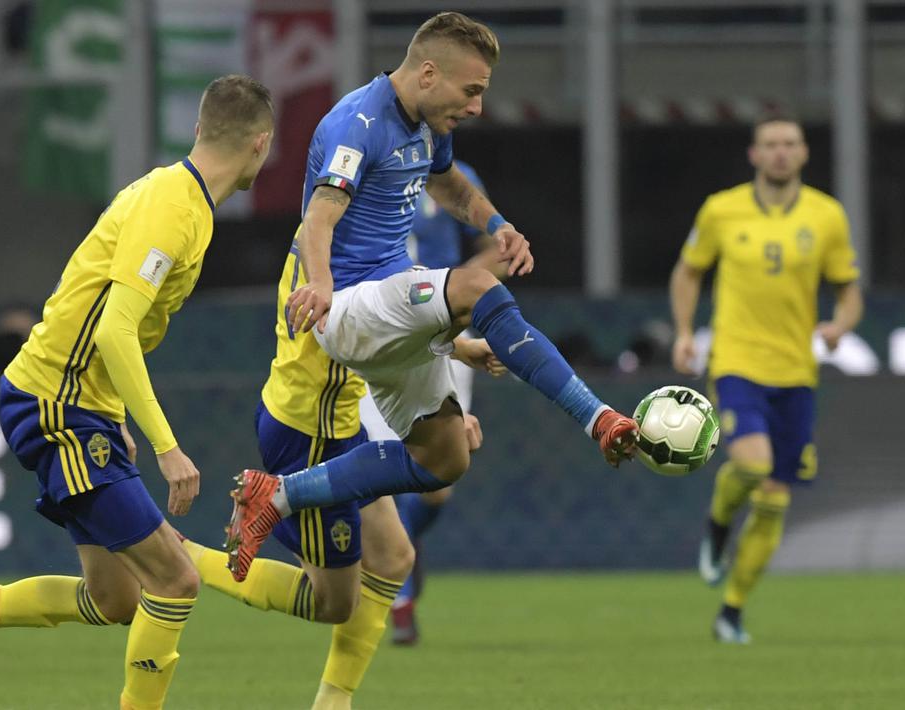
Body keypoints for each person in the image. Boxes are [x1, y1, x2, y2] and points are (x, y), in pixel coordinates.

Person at [0, 75, 275, 707]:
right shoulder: (173, 207)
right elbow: (115, 329)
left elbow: (106, 321)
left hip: (74, 403)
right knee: (175, 580)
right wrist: (166, 446)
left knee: (115, 599)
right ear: (262, 144)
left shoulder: (182, 202)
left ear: (200, 129)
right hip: (56, 405)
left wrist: (111, 412)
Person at [223, 11, 640, 585]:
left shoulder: (428, 126)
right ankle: (598, 418)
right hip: (346, 306)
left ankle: (279, 496)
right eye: (471, 91)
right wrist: (319, 282)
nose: (475, 106)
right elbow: (318, 219)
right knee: (474, 283)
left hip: (389, 310)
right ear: (426, 74)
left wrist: (496, 225)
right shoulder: (359, 121)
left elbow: (448, 185)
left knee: (445, 459)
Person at [178, 228, 501, 707]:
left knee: (394, 557)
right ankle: (181, 555)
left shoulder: (331, 227)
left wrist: (456, 352)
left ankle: (334, 701)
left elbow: (383, 318)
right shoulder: (348, 234)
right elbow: (383, 320)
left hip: (337, 422)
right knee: (332, 602)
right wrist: (445, 411)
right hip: (311, 433)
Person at [668, 115, 864, 644]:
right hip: (737, 361)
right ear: (754, 155)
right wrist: (685, 331)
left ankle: (731, 611)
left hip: (796, 371)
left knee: (776, 499)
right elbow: (688, 270)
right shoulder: (721, 209)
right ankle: (717, 524)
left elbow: (848, 290)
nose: (781, 153)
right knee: (752, 465)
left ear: (803, 154)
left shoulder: (827, 216)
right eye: (771, 144)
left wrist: (840, 326)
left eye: (790, 144)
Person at [375, 158, 491, 645]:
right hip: (381, 337)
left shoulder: (453, 175)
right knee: (386, 468)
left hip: (443, 336)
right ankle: (399, 600)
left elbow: (491, 250)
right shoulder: (362, 173)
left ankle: (408, 541)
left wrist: (455, 288)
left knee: (439, 479)